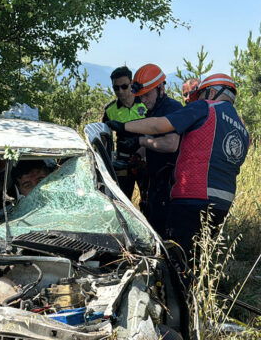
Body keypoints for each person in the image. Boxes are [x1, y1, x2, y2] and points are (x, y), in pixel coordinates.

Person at [106, 74, 250, 260]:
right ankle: (195, 289)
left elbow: (160, 126)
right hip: (223, 202)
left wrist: (124, 127)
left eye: (202, 94)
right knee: (196, 259)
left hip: (192, 196)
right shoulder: (242, 129)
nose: (197, 99)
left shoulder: (205, 107)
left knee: (175, 258)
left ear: (212, 92)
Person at [123, 64, 184, 235]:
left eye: (147, 95)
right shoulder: (153, 111)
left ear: (161, 89)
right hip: (156, 183)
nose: (144, 100)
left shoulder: (172, 109)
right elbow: (154, 143)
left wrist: (141, 141)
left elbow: (171, 144)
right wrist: (134, 151)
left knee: (165, 233)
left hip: (170, 185)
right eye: (141, 97)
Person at [102, 66, 148, 205]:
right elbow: (104, 138)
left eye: (124, 86)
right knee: (123, 203)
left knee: (147, 202)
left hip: (145, 159)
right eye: (116, 88)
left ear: (131, 84)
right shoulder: (110, 110)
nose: (120, 91)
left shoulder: (145, 103)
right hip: (122, 161)